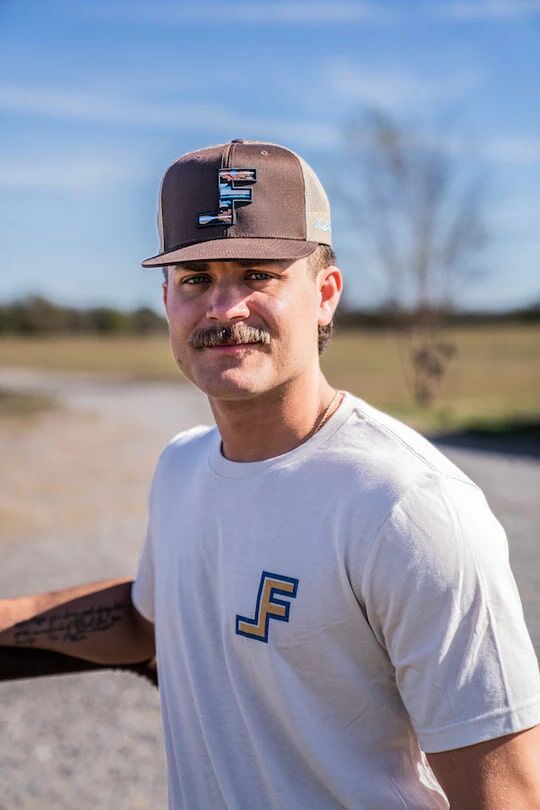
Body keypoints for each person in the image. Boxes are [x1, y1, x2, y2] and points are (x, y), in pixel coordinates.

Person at [1, 139, 539, 809]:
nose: (223, 308)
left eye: (258, 274)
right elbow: (150, 621)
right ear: (167, 299)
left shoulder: (405, 508)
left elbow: (506, 796)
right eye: (196, 279)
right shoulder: (181, 468)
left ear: (325, 295)